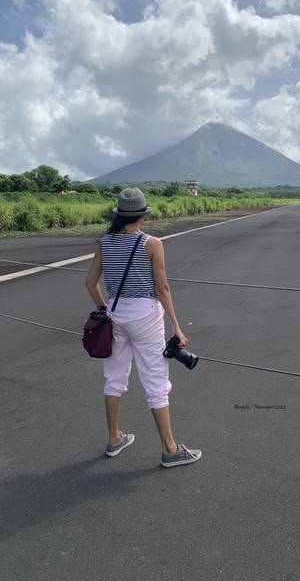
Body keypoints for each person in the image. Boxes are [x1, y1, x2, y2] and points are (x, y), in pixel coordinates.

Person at [85, 187, 202, 467]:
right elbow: (162, 288)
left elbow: (89, 283)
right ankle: (170, 449)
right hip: (145, 316)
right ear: (143, 215)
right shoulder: (151, 243)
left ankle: (114, 438)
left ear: (119, 214)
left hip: (115, 313)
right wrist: (176, 326)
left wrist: (105, 307)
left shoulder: (105, 242)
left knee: (114, 379)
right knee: (155, 381)